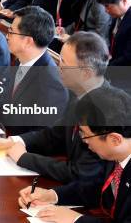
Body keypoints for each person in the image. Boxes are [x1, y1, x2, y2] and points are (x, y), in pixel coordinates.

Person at [0, 32, 113, 184]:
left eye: (64, 63)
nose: (58, 67)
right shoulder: (80, 95)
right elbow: (53, 136)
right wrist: (13, 141)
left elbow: (79, 172)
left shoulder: (104, 110)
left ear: (86, 73)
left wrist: (24, 158)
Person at [17, 87, 131, 223]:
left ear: (115, 139)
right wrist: (52, 195)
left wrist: (76, 219)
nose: (83, 140)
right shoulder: (116, 154)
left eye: (85, 134)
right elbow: (96, 188)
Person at [0, 6, 68, 134]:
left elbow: (42, 135)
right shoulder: (20, 60)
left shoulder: (52, 82)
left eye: (11, 31)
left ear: (27, 41)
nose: (7, 36)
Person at [96, 0, 131, 66]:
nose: (106, 10)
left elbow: (128, 58)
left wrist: (105, 68)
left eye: (107, 6)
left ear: (124, 1)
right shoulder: (117, 16)